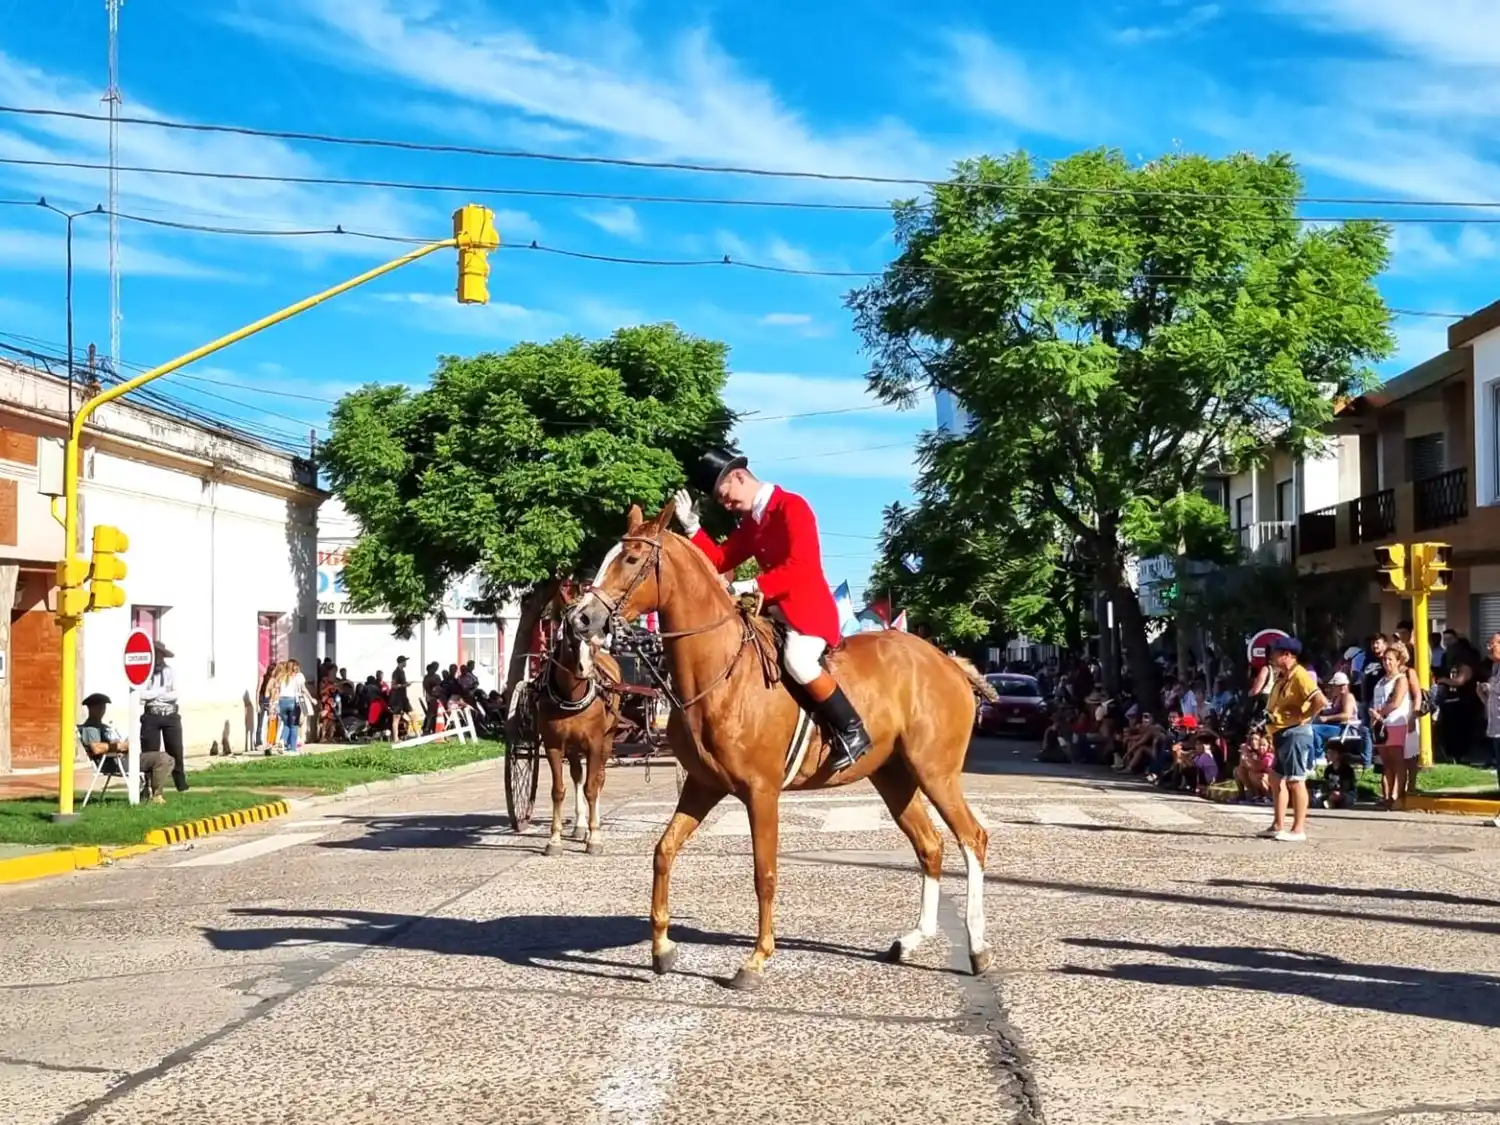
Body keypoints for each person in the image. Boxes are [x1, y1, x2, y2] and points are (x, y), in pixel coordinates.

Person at [672, 448, 870, 771]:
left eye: (725, 496)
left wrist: (753, 586)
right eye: (722, 501)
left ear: (738, 476)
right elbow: (721, 560)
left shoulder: (792, 506)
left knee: (798, 661)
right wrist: (693, 529)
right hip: (775, 612)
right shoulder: (752, 523)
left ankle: (852, 730)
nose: (726, 504)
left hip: (809, 611)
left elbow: (802, 567)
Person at [1261, 636, 1327, 842]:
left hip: (1295, 733)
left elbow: (1320, 700)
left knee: (1295, 780)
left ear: (1287, 655)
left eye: (1275, 653)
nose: (1271, 656)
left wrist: (1306, 717)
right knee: (1276, 778)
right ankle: (1278, 825)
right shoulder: (1282, 677)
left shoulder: (1300, 675)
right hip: (1280, 732)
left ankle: (1298, 829)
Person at [79, 692, 173, 802]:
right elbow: (96, 748)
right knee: (162, 759)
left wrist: (126, 745)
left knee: (166, 758)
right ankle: (156, 796)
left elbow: (113, 744)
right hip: (115, 763)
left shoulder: (104, 726)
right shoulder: (91, 728)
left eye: (103, 706)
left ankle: (147, 792)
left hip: (122, 759)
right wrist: (120, 746)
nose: (102, 709)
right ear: (91, 708)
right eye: (99, 707)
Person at [139, 642, 188, 792]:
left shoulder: (170, 672)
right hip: (151, 716)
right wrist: (162, 691)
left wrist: (153, 695)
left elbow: (175, 694)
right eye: (154, 654)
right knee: (150, 752)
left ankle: (181, 785)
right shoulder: (143, 673)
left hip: (170, 715)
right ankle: (150, 787)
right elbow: (141, 695)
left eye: (159, 654)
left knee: (176, 750)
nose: (157, 657)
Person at [1371, 641, 1413, 809]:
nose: (1387, 662)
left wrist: (1379, 714)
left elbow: (1396, 702)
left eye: (1390, 659)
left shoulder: (1401, 679)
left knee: (1398, 762)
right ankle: (1387, 796)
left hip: (1396, 723)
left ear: (1398, 661)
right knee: (1386, 763)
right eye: (1385, 659)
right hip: (1380, 725)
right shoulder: (1381, 681)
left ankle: (1400, 796)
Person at [277, 660, 315, 754]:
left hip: (282, 701)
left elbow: (277, 688)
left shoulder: (282, 676)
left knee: (286, 724)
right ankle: (292, 749)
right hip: (293, 701)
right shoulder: (299, 676)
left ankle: (282, 740)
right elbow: (303, 689)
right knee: (294, 725)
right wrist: (311, 699)